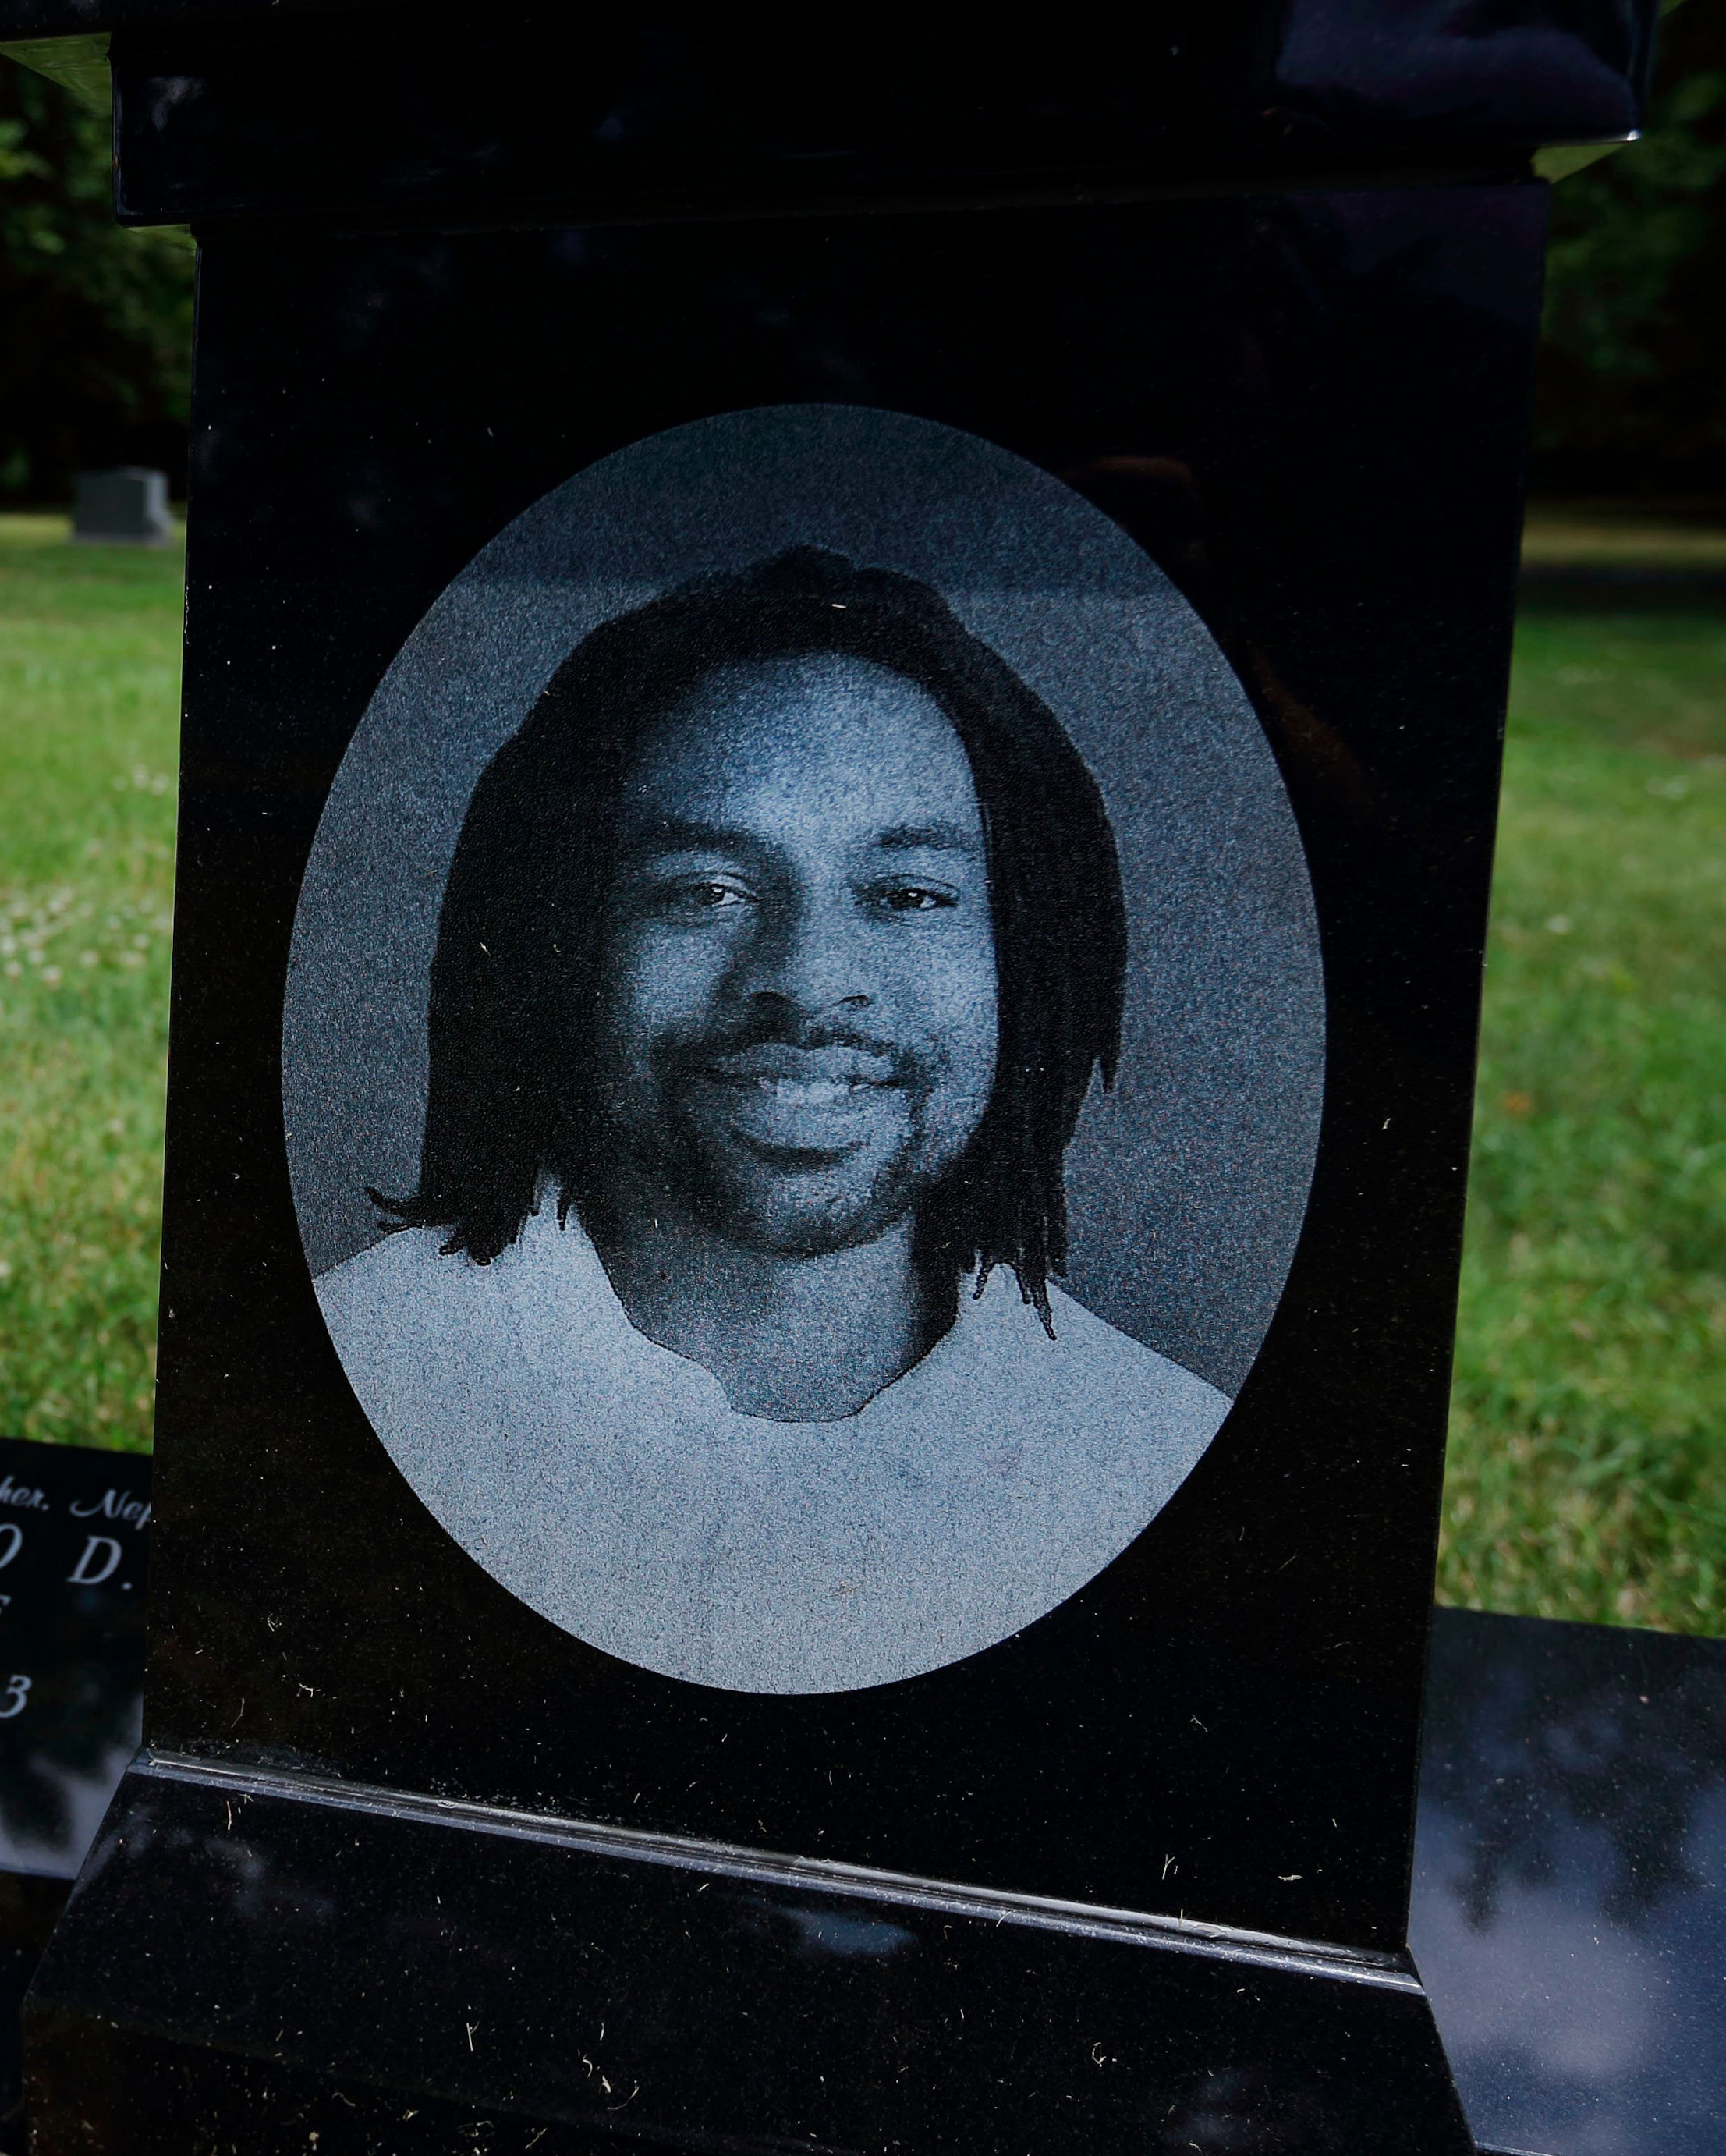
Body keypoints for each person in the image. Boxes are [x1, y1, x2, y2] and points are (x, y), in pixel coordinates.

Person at [315, 545, 1228, 1692]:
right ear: (565, 939)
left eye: (908, 895)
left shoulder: (1152, 1455)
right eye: (706, 891)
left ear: (1026, 960)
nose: (807, 979)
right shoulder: (346, 1382)